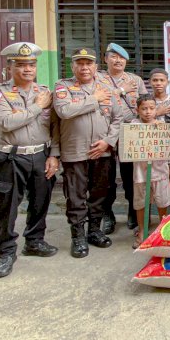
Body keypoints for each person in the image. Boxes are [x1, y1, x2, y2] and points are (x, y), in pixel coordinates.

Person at [0, 42, 60, 278]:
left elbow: (55, 126)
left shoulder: (44, 91)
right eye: (21, 65)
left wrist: (54, 155)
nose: (28, 69)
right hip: (10, 157)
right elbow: (7, 122)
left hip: (41, 155)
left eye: (32, 64)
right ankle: (6, 252)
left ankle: (34, 241)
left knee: (40, 201)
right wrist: (37, 107)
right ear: (10, 66)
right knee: (7, 207)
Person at [53, 48, 122, 258]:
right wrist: (93, 98)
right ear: (73, 66)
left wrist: (108, 142)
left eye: (88, 63)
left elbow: (117, 119)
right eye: (80, 63)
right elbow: (64, 111)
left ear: (95, 67)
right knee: (76, 196)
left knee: (100, 193)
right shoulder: (62, 87)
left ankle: (94, 230)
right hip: (75, 153)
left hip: (101, 152)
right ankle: (78, 236)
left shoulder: (106, 89)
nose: (84, 67)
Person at [97, 43, 147, 235]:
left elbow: (144, 104)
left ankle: (133, 212)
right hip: (105, 133)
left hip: (129, 134)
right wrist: (121, 91)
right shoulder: (98, 78)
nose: (118, 61)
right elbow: (97, 99)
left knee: (130, 177)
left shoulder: (135, 79)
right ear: (106, 59)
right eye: (114, 57)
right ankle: (107, 215)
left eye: (122, 58)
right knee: (106, 178)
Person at [132, 95, 170, 249]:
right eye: (144, 109)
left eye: (151, 108)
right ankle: (142, 231)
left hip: (160, 170)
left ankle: (162, 229)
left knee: (162, 201)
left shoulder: (161, 124)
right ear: (138, 110)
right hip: (140, 173)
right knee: (141, 202)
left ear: (156, 110)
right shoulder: (133, 125)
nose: (148, 112)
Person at [148, 68, 170, 213]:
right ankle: (148, 219)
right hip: (149, 149)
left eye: (162, 80)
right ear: (150, 82)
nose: (158, 83)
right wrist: (157, 112)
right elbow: (139, 121)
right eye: (155, 80)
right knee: (149, 184)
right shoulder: (146, 100)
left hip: (169, 150)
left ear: (168, 82)